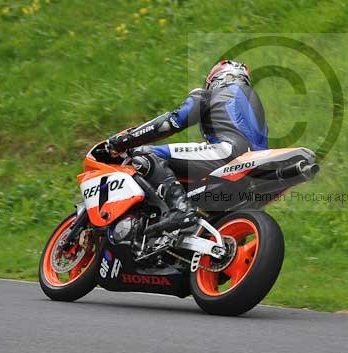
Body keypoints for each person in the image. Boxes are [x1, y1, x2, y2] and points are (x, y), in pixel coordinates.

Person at [107, 60, 268, 232]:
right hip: (256, 169)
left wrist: (125, 141)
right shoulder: (255, 106)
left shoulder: (211, 94)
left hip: (227, 153)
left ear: (215, 79)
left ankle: (180, 207)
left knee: (145, 154)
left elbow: (171, 122)